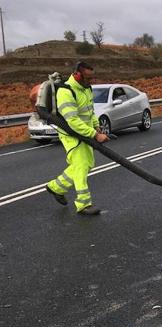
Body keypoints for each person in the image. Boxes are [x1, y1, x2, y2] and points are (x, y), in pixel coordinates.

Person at [45, 62, 109, 215]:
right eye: (88, 78)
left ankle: (55, 187)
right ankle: (83, 204)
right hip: (70, 134)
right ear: (77, 75)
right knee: (81, 165)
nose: (91, 81)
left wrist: (96, 126)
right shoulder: (66, 91)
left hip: (84, 131)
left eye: (92, 78)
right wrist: (95, 135)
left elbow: (90, 110)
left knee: (86, 164)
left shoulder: (86, 89)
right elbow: (72, 121)